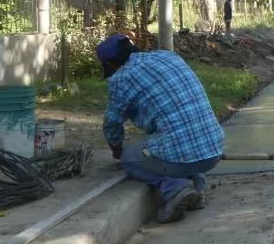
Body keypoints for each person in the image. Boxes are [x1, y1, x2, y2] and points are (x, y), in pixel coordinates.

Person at [96, 34, 223, 224]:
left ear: (111, 64)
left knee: (130, 158)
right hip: (214, 149)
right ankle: (197, 188)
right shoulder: (168, 56)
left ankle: (175, 188)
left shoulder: (121, 79)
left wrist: (117, 151)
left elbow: (112, 125)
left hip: (182, 158)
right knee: (176, 141)